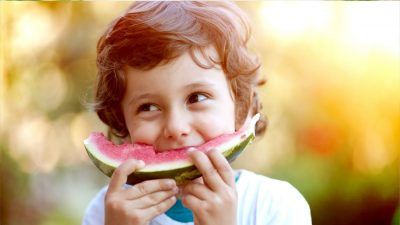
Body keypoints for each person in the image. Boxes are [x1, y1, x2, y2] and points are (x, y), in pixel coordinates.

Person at [82, 1, 312, 225]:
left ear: (242, 107)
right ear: (122, 121)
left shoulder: (274, 205)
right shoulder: (107, 211)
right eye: (149, 107)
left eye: (197, 98)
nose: (175, 127)